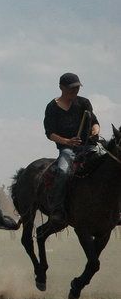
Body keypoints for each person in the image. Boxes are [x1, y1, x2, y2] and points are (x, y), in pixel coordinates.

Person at [43, 72, 100, 225]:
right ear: (61, 87)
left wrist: (95, 130)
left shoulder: (84, 103)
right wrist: (67, 141)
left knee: (109, 165)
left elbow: (95, 122)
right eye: (71, 88)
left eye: (77, 88)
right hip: (67, 150)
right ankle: (57, 210)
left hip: (88, 147)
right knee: (62, 171)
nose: (75, 91)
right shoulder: (52, 107)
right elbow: (50, 133)